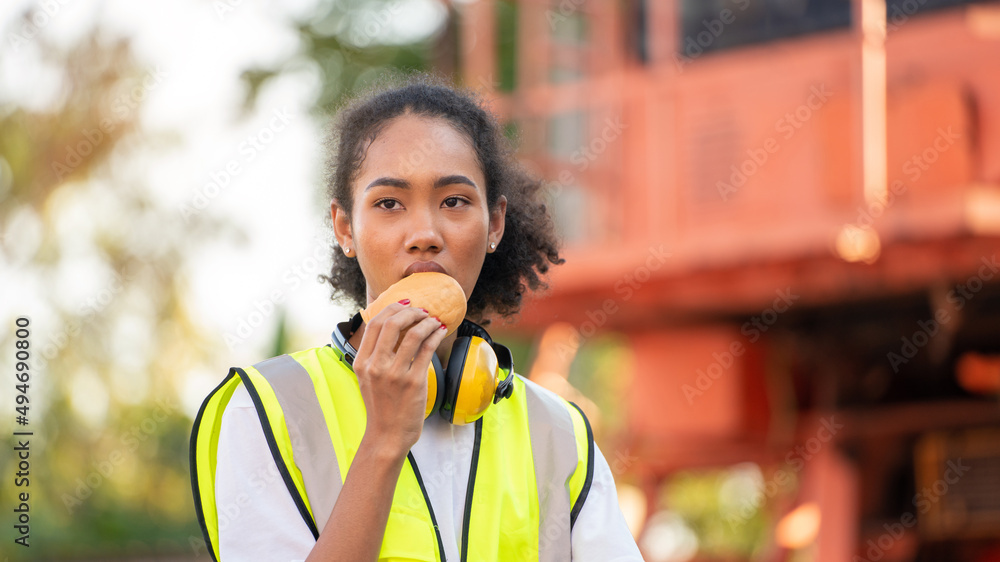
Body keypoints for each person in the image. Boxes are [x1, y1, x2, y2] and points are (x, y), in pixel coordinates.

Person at [190, 74, 643, 561]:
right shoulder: (265, 409)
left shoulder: (559, 434)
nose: (424, 233)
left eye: (454, 201)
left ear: (495, 224)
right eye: (388, 203)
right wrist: (384, 441)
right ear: (346, 228)